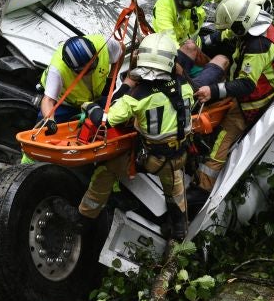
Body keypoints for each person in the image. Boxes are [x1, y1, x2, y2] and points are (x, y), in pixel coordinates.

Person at [64, 33, 195, 240]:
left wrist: (89, 106)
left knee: (104, 172)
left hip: (151, 158)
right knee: (175, 188)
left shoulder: (138, 96)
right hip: (178, 155)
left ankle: (82, 219)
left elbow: (105, 119)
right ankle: (179, 230)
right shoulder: (185, 87)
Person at [192, 0, 274, 192]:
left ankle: (202, 186)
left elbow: (246, 85)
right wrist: (203, 41)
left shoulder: (257, 47)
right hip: (270, 86)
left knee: (223, 138)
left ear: (240, 25)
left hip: (255, 103)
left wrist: (212, 91)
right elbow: (226, 35)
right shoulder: (261, 24)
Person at [152, 0, 237, 87]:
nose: (194, 5)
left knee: (222, 63)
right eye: (189, 3)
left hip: (196, 44)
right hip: (181, 53)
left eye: (198, 1)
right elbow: (173, 49)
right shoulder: (164, 10)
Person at [38, 34, 123, 127]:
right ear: (71, 68)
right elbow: (48, 100)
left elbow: (121, 50)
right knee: (44, 128)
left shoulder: (104, 45)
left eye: (93, 65)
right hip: (66, 103)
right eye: (84, 71)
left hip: (97, 97)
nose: (91, 71)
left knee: (110, 121)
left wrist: (111, 78)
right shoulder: (58, 70)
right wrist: (50, 121)